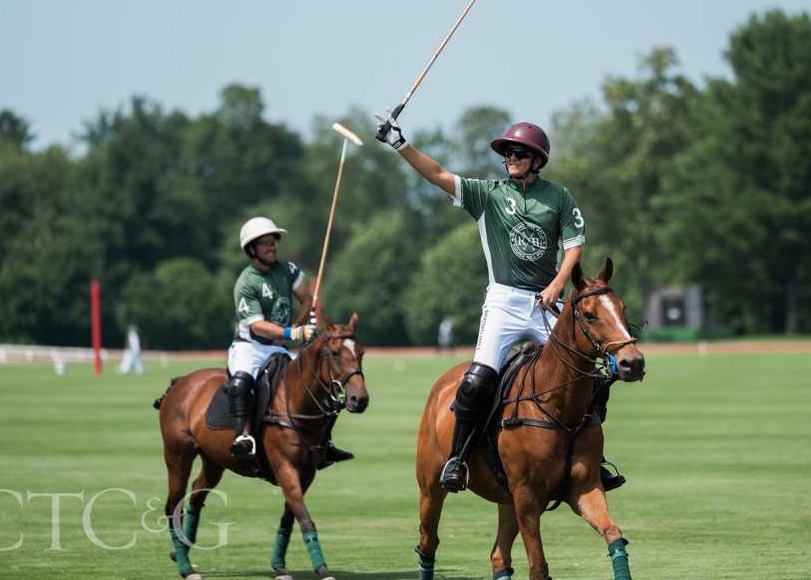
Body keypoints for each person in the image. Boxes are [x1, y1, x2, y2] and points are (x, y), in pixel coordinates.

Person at [375, 111, 624, 493]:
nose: (511, 158)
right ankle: (458, 459)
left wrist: (557, 284)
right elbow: (437, 174)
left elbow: (574, 248)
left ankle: (592, 461)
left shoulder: (558, 197)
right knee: (477, 381)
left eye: (519, 153)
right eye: (507, 153)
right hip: (504, 302)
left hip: (546, 302)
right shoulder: (488, 194)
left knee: (587, 375)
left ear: (537, 160)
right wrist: (399, 143)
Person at [228, 216, 354, 466]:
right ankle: (243, 436)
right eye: (265, 243)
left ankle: (325, 442)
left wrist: (297, 326)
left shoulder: (287, 270)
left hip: (278, 347)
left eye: (272, 242)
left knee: (320, 381)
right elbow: (256, 325)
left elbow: (307, 300)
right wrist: (291, 334)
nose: (271, 247)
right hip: (251, 347)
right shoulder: (246, 282)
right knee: (241, 383)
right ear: (251, 249)